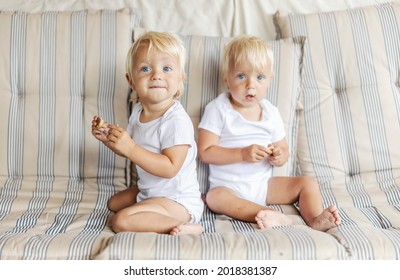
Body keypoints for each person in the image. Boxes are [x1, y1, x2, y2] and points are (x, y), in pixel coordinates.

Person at [197, 35, 340, 231]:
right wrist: (242, 154)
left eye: (260, 77)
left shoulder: (270, 112)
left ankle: (315, 219)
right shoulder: (218, 109)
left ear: (269, 79)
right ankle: (268, 213)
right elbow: (205, 152)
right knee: (214, 198)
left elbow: (283, 147)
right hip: (229, 187)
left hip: (264, 185)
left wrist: (279, 155)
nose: (250, 85)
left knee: (307, 182)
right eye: (241, 76)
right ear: (226, 78)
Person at [92, 31, 204, 236]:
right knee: (114, 203)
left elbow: (170, 168)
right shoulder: (138, 113)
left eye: (167, 68)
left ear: (181, 78)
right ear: (131, 81)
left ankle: (183, 226)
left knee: (121, 220)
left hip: (177, 200)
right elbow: (132, 150)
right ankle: (151, 207)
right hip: (152, 191)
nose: (156, 75)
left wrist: (130, 147)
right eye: (145, 68)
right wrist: (112, 140)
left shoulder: (176, 120)